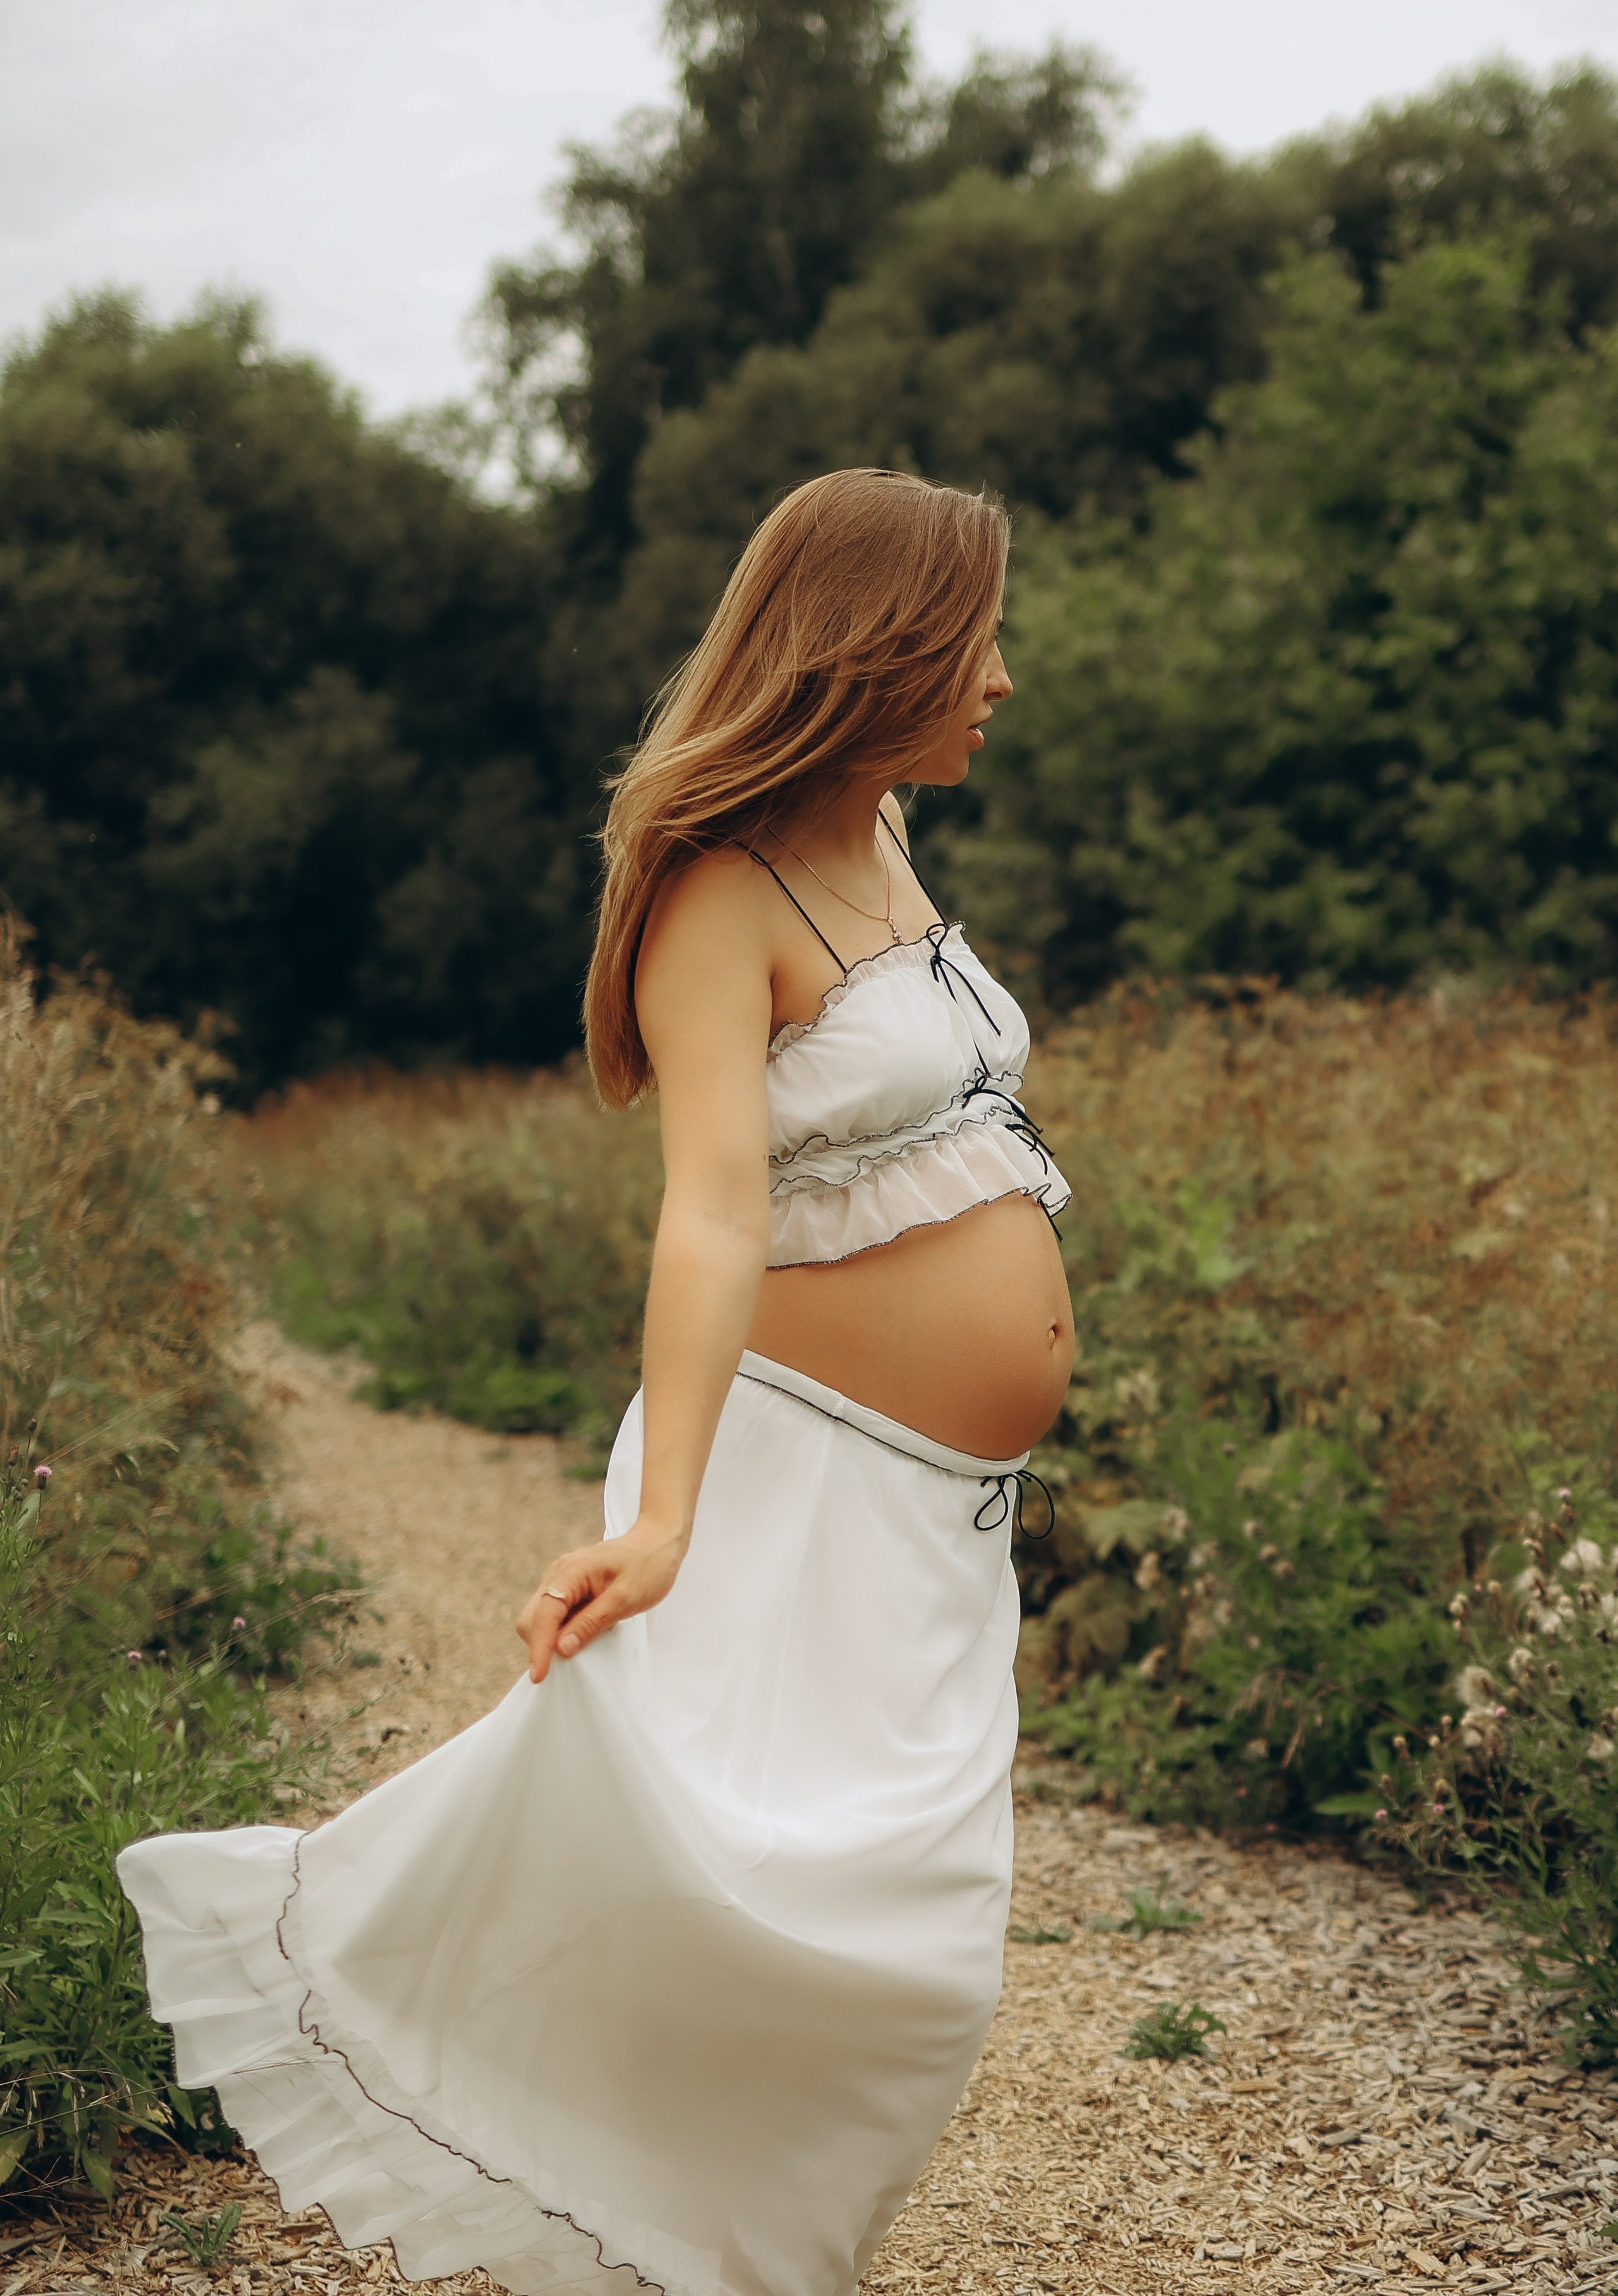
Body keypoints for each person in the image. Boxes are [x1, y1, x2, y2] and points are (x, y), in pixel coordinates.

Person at [118, 468, 1074, 2296]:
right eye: (977, 640)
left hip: (935, 1506)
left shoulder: (877, 835)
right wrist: (665, 1520)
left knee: (903, 1916)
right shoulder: (720, 894)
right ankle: (673, 2210)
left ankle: (753, 2242)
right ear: (877, 649)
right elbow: (714, 1211)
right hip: (800, 1471)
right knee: (799, 1904)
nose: (1002, 681)